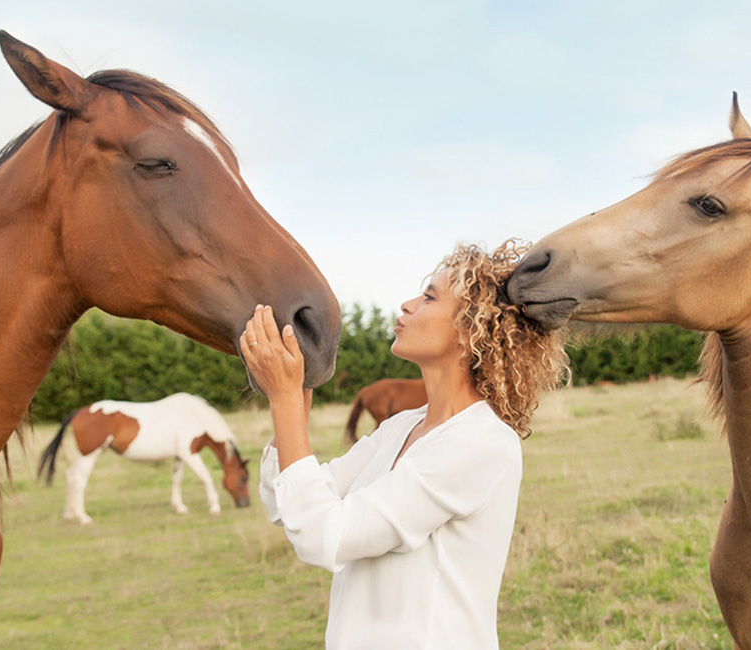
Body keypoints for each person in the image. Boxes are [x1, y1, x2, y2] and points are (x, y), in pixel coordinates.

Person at [240, 239, 568, 650]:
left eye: (429, 297)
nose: (407, 305)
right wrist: (292, 408)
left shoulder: (482, 444)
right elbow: (287, 506)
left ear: (472, 331)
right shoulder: (401, 427)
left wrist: (285, 400)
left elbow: (324, 537)